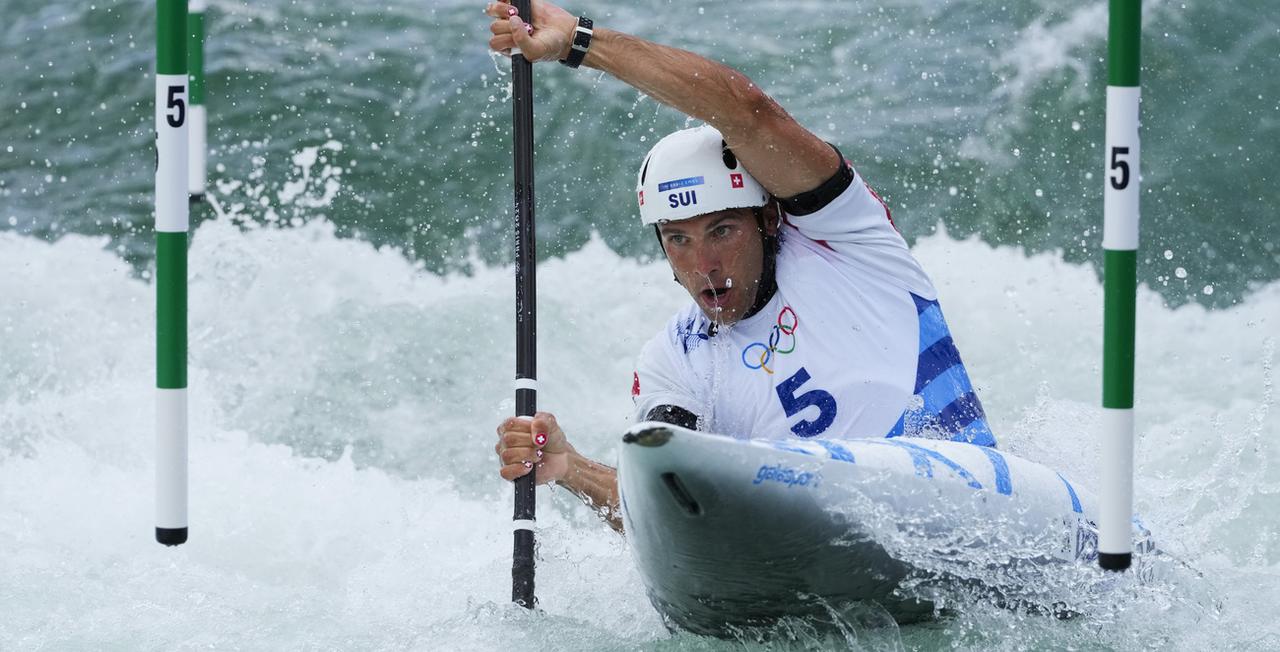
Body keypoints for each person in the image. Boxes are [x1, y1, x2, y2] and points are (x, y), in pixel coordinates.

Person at [487, 0, 994, 533]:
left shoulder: (847, 241)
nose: (703, 264)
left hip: (961, 508)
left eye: (722, 231)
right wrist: (569, 468)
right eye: (677, 240)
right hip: (820, 548)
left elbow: (747, 111)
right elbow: (666, 499)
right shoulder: (676, 360)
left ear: (768, 220)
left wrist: (576, 41)